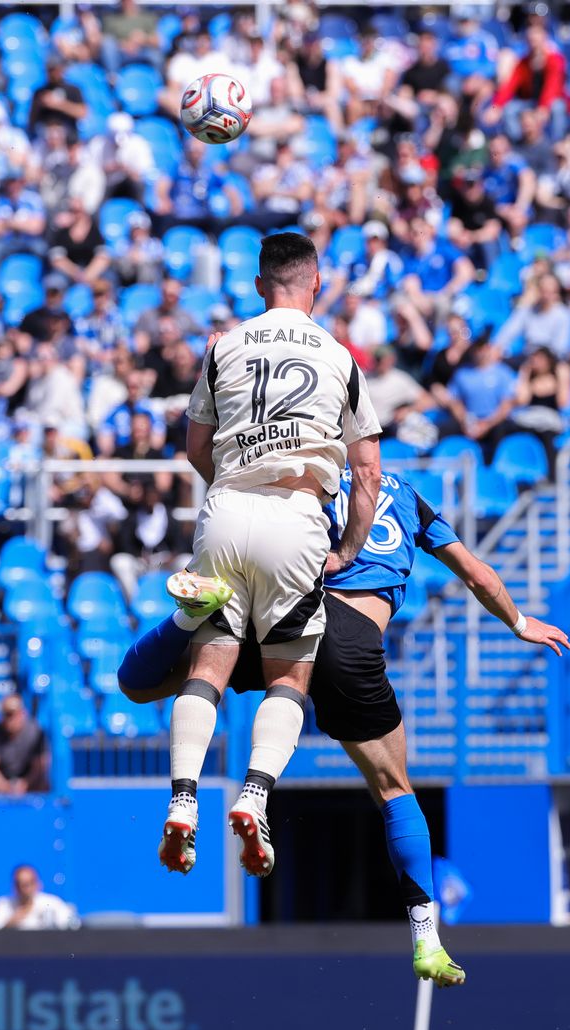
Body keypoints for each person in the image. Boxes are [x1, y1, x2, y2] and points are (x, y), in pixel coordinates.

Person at [118, 465, 569, 985]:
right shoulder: (410, 498)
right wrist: (519, 622)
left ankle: (188, 619)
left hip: (288, 610)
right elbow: (475, 573)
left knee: (143, 683)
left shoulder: (309, 473)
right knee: (394, 789)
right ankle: (427, 938)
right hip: (352, 638)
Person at [162, 232, 383, 880]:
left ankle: (182, 796)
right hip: (297, 514)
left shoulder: (223, 346)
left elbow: (195, 446)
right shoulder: (338, 357)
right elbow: (367, 470)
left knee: (209, 664)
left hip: (227, 507)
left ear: (260, 286)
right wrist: (347, 546)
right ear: (316, 284)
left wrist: (230, 486)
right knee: (289, 677)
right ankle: (254, 794)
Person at [0, 693, 50, 795]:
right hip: (1, 781)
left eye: (12, 714)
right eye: (6, 714)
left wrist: (25, 783)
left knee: (44, 784)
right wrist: (3, 785)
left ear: (22, 713)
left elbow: (41, 766)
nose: (9, 719)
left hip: (27, 781)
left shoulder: (35, 732)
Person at [0, 866, 78, 931]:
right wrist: (10, 923)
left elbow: (70, 925)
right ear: (15, 887)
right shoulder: (3, 904)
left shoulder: (52, 903)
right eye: (22, 885)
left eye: (30, 883)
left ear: (38, 884)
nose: (27, 889)